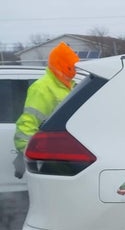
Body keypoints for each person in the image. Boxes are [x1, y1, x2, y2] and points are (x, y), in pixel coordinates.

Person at [13, 42, 79, 178]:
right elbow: (28, 122)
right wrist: (28, 153)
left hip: (66, 153)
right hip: (53, 157)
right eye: (71, 67)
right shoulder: (42, 88)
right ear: (61, 65)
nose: (74, 71)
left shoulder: (70, 86)